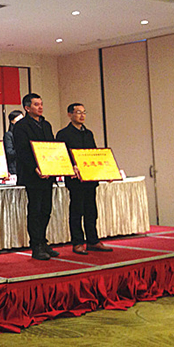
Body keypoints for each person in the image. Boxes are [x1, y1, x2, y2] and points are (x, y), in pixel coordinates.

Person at [56, 103, 113, 254]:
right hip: (75, 179)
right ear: (70, 115)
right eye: (78, 112)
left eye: (84, 112)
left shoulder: (88, 133)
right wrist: (71, 167)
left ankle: (93, 241)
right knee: (77, 211)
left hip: (90, 178)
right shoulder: (63, 134)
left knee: (91, 211)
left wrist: (106, 172)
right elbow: (61, 156)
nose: (82, 115)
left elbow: (94, 155)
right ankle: (77, 242)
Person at [12, 93, 59, 261]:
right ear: (27, 108)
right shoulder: (21, 126)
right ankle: (36, 245)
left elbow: (52, 148)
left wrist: (55, 166)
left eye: (41, 104)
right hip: (33, 175)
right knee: (35, 210)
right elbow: (22, 151)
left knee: (46, 210)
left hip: (48, 173)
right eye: (36, 104)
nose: (40, 107)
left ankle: (43, 241)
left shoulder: (46, 125)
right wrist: (35, 168)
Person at [4, 110, 23, 175]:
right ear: (12, 121)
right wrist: (22, 150)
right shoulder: (9, 135)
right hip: (14, 168)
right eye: (19, 120)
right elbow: (9, 152)